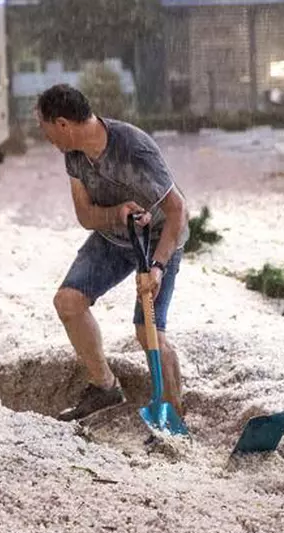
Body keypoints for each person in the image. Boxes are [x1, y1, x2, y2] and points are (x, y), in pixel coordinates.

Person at [35, 84, 190, 422]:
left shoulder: (133, 148)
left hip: (159, 239)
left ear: (62, 124)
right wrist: (117, 213)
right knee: (68, 302)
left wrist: (158, 267)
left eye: (46, 129)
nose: (47, 138)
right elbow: (85, 216)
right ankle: (104, 386)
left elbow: (178, 211)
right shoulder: (74, 155)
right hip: (113, 239)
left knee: (148, 332)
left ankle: (173, 416)